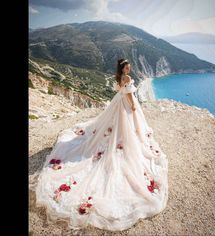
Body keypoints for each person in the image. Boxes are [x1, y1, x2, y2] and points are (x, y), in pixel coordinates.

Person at [35, 58, 168, 231]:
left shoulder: (119, 76)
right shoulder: (127, 78)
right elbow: (128, 94)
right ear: (123, 68)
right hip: (125, 104)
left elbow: (120, 90)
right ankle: (122, 141)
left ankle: (116, 139)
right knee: (126, 126)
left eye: (129, 66)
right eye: (127, 66)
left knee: (112, 126)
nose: (129, 68)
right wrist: (133, 107)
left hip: (116, 103)